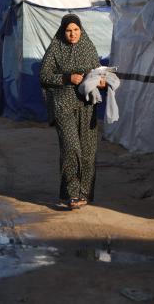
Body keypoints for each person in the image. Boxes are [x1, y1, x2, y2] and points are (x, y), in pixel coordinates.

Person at [39, 14, 106, 210]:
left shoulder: (88, 46)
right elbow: (44, 75)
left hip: (87, 106)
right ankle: (72, 194)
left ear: (81, 30)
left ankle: (84, 193)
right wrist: (68, 78)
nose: (73, 34)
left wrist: (101, 81)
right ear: (63, 31)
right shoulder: (56, 48)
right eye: (69, 30)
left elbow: (97, 70)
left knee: (87, 151)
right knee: (71, 148)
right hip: (63, 105)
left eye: (76, 30)